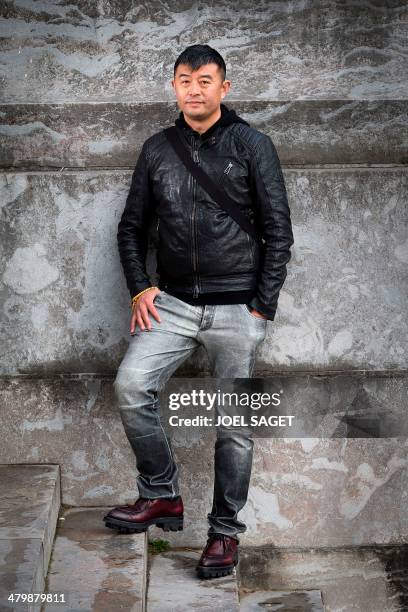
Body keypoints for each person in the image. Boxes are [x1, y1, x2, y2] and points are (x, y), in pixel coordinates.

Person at [103, 44, 294, 579]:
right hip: (174, 304)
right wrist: (141, 287)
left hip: (238, 309)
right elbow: (131, 228)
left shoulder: (252, 144)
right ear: (173, 86)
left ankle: (225, 536)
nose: (194, 88)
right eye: (184, 79)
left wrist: (262, 307)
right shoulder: (157, 149)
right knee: (130, 386)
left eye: (205, 80)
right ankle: (161, 494)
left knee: (233, 426)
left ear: (224, 88)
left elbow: (279, 231)